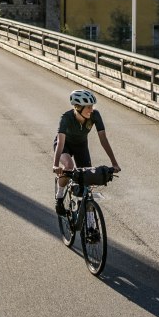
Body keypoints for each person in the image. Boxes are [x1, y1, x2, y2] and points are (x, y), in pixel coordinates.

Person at [53, 90, 121, 232]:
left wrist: (114, 162)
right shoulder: (66, 118)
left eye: (92, 106)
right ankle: (59, 197)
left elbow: (103, 139)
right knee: (69, 166)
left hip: (81, 146)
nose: (91, 109)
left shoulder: (95, 115)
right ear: (78, 107)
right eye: (88, 107)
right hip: (65, 145)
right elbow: (60, 142)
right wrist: (55, 164)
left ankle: (89, 223)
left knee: (88, 179)